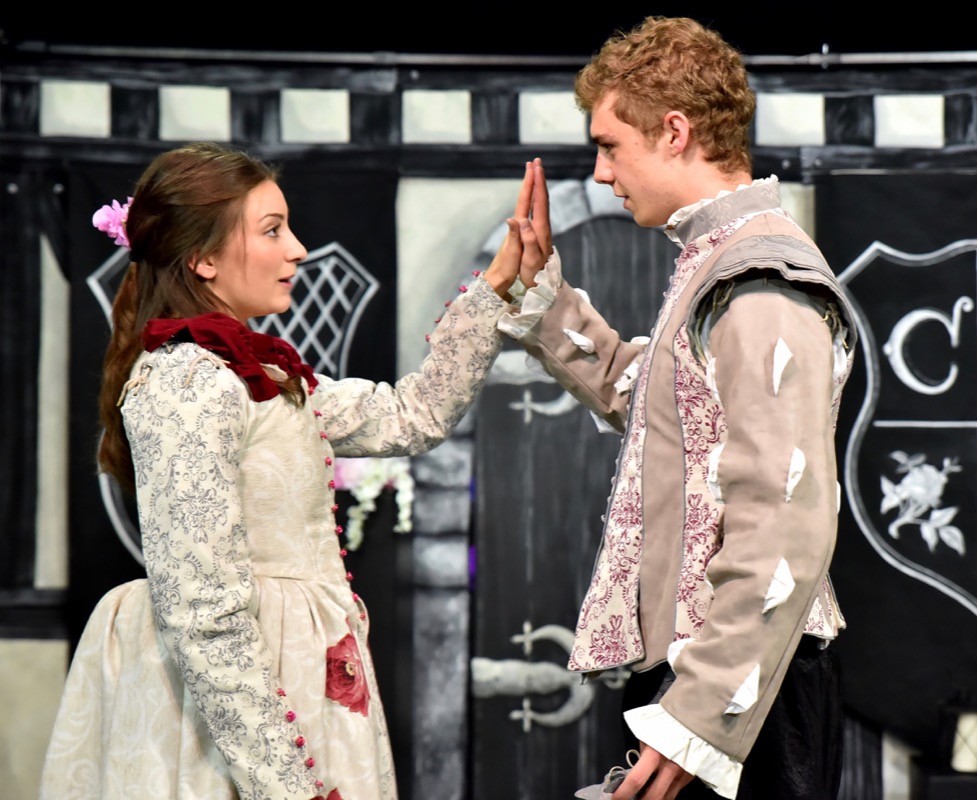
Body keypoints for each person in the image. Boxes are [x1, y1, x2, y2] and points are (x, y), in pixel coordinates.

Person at [40, 142, 535, 800]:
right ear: (204, 258)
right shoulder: (188, 382)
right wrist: (286, 787)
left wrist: (496, 286)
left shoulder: (261, 375)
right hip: (240, 701)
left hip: (296, 670)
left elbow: (412, 416)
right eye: (272, 230)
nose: (298, 250)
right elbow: (203, 610)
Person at [501, 17, 857, 800]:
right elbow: (663, 409)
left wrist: (697, 716)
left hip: (738, 687)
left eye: (609, 146)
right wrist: (544, 296)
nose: (600, 172)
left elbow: (784, 519)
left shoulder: (761, 281)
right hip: (706, 674)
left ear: (673, 132)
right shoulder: (716, 263)